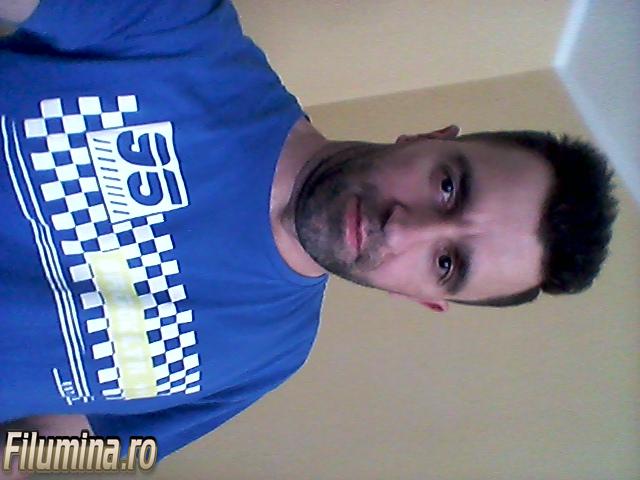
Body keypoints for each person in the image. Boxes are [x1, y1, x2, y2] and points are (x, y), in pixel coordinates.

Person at [0, 0, 617, 467]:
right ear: (429, 138)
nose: (407, 226)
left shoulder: (270, 356)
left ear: (424, 298)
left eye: (447, 263)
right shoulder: (182, 32)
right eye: (449, 187)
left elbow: (83, 446)